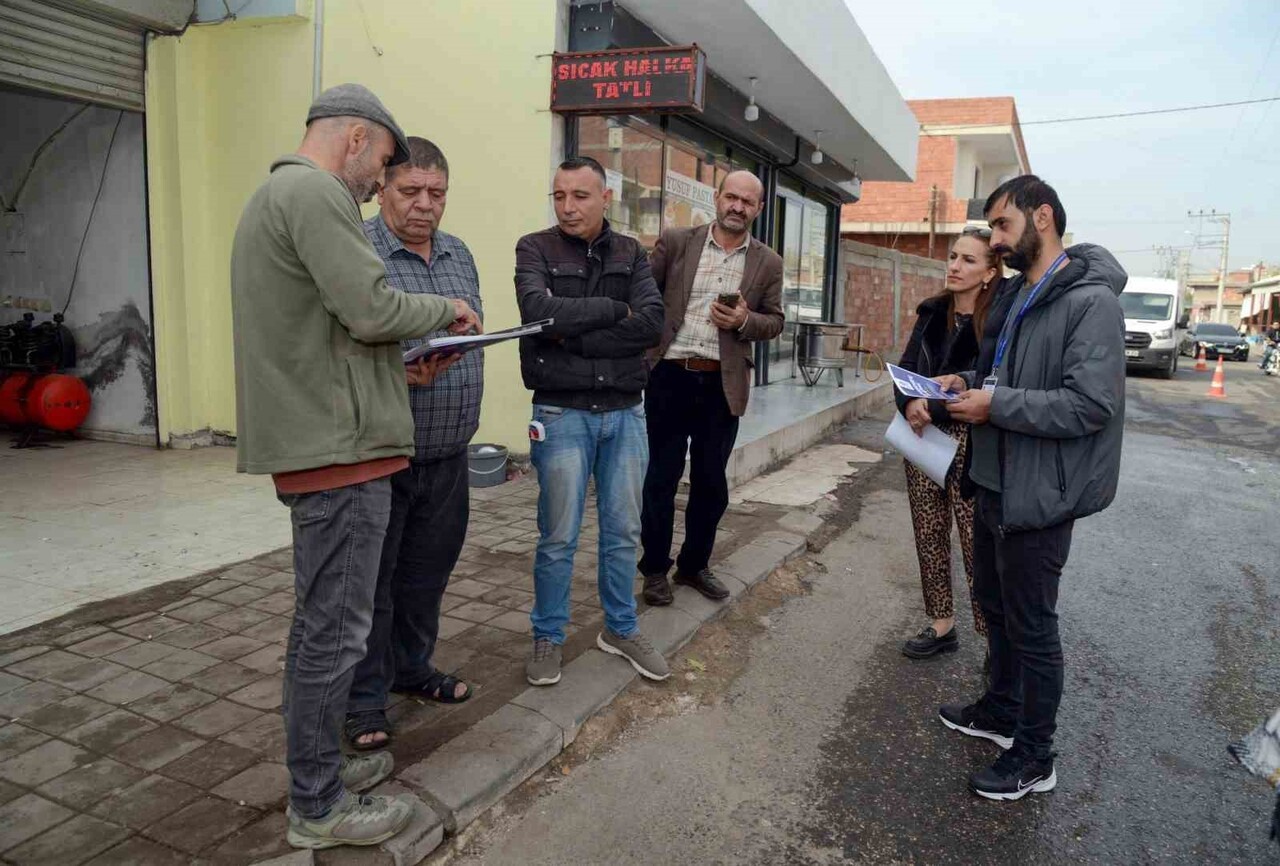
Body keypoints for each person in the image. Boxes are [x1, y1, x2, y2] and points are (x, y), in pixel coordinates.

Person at [230, 84, 481, 849]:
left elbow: (332, 328)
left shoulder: (282, 195)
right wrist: (447, 311)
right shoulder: (313, 194)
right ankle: (317, 806)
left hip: (333, 442)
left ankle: (326, 773)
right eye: (384, 164)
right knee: (332, 636)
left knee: (326, 627)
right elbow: (372, 310)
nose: (380, 182)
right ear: (355, 140)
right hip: (336, 452)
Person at [934, 175, 1126, 801]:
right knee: (995, 608)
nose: (995, 239)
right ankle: (1001, 711)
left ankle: (1036, 755)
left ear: (1041, 218)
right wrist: (963, 384)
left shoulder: (1091, 303)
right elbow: (1005, 374)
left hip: (1039, 494)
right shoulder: (1021, 293)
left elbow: (1088, 405)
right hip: (993, 480)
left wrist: (998, 405)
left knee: (1032, 625)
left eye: (1002, 225)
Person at [344, 138, 480, 752]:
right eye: (410, 192)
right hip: (382, 452)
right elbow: (346, 346)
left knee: (427, 576)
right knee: (373, 585)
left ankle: (412, 668)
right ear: (382, 189)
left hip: (450, 453)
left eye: (437, 193)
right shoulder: (358, 250)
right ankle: (364, 700)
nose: (425, 206)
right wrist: (402, 368)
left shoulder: (459, 254)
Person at [514, 156, 669, 687]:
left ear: (606, 198)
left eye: (580, 196)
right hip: (561, 414)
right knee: (557, 535)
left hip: (625, 414)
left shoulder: (631, 253)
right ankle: (548, 636)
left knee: (624, 531)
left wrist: (569, 331)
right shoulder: (534, 248)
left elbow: (651, 324)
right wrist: (612, 310)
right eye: (558, 196)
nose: (567, 206)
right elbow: (539, 312)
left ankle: (621, 629)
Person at [638, 171, 784, 605]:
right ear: (717, 198)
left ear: (758, 209)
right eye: (732, 197)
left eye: (748, 202)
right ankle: (654, 570)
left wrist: (744, 321)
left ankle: (694, 566)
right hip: (669, 375)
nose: (738, 207)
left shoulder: (768, 262)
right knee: (661, 477)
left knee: (710, 482)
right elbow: (646, 297)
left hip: (722, 383)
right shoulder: (678, 241)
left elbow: (775, 321)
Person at [896, 227, 999, 660]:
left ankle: (995, 640)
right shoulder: (932, 311)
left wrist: (930, 407)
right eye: (954, 257)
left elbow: (993, 383)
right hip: (922, 438)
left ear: (990, 272)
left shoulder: (999, 321)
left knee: (978, 542)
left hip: (972, 442)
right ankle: (941, 625)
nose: (955, 266)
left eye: (969, 260)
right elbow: (903, 369)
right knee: (929, 532)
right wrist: (907, 404)